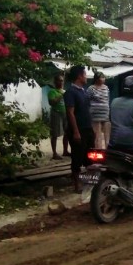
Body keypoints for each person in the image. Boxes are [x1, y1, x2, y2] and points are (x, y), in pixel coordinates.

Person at [64, 65, 95, 193]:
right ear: (79, 76)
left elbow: (87, 111)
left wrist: (92, 129)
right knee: (77, 157)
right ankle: (77, 184)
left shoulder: (83, 91)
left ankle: (89, 181)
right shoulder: (70, 92)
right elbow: (70, 113)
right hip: (78, 130)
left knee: (90, 157)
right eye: (85, 74)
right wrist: (76, 131)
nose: (86, 76)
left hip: (87, 129)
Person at [47, 74, 70, 160]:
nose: (61, 82)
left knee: (67, 133)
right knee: (54, 134)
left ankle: (65, 151)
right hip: (56, 114)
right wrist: (61, 96)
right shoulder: (52, 91)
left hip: (65, 114)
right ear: (55, 82)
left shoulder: (64, 91)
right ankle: (54, 153)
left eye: (62, 80)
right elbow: (52, 102)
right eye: (59, 80)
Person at [88, 72, 111, 150]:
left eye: (104, 77)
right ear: (96, 79)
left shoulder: (106, 88)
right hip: (95, 114)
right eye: (101, 77)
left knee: (107, 135)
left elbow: (107, 99)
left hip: (105, 114)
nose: (103, 79)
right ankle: (98, 151)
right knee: (97, 135)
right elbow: (87, 100)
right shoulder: (91, 88)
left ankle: (108, 151)